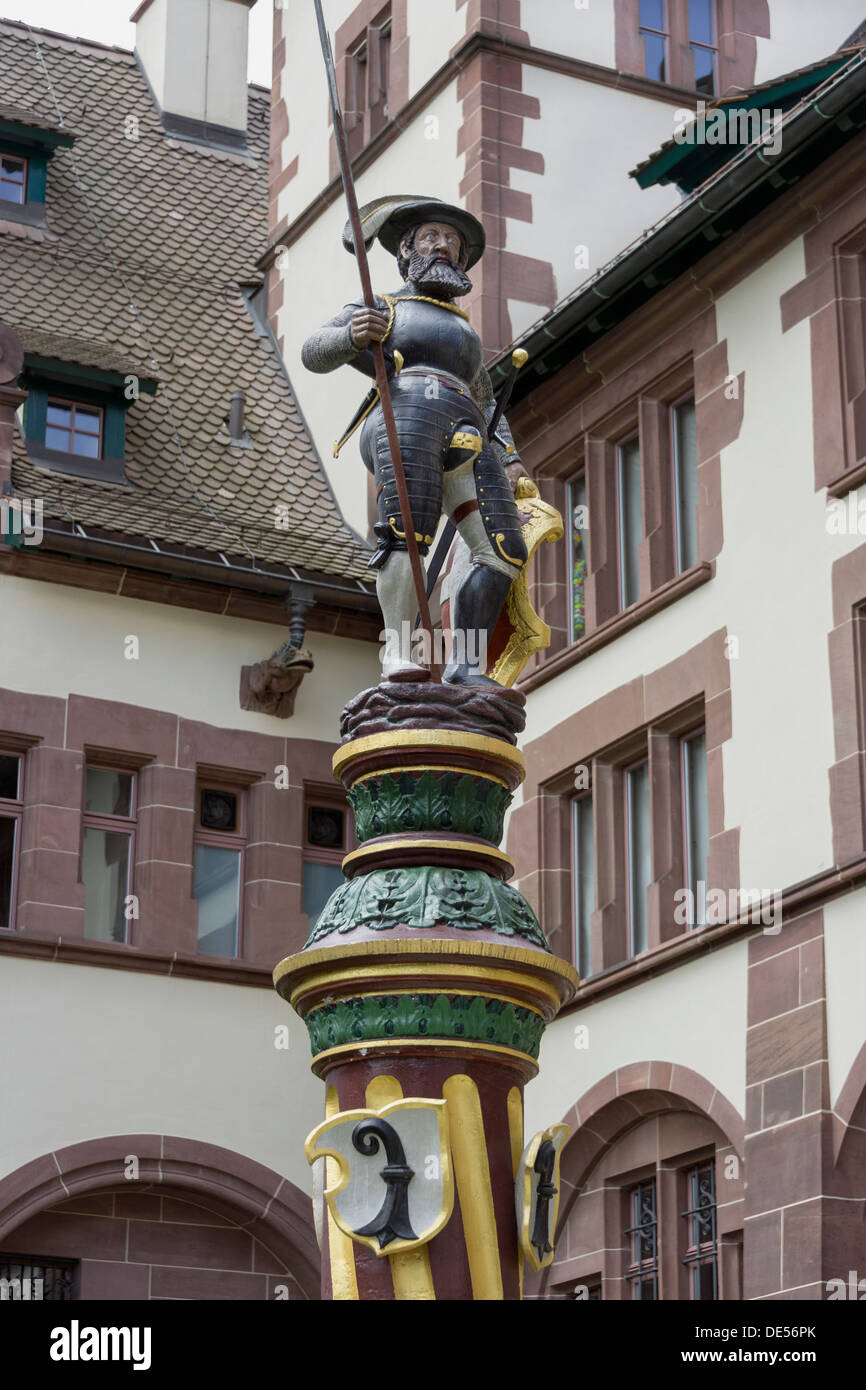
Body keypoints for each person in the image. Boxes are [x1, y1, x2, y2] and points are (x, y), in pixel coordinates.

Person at [301, 196, 527, 684]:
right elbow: (313, 351)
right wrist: (354, 337)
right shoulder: (383, 306)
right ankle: (399, 652)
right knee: (407, 532)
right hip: (405, 412)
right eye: (432, 237)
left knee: (504, 548)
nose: (444, 247)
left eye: (453, 242)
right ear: (407, 250)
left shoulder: (466, 330)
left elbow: (486, 400)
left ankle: (465, 664)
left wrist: (509, 456)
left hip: (468, 428)